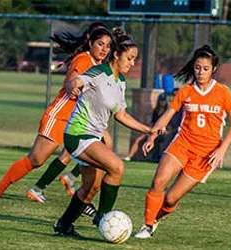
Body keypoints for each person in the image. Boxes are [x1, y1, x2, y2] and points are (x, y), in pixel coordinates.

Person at [0, 23, 113, 216]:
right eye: (100, 44)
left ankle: (82, 201)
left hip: (79, 123)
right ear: (90, 43)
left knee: (98, 156)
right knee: (36, 160)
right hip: (59, 117)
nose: (104, 49)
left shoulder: (99, 67)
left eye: (108, 46)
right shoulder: (84, 59)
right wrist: (72, 87)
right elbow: (73, 78)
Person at [53, 27, 152, 238]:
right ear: (116, 55)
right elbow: (77, 79)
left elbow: (122, 116)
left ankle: (64, 225)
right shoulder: (99, 73)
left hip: (92, 137)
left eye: (134, 59)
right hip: (78, 134)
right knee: (117, 167)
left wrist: (149, 130)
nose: (132, 63)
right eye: (130, 58)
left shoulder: (120, 82)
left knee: (91, 187)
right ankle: (103, 217)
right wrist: (72, 86)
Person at [135, 45, 231, 239]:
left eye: (205, 68)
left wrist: (223, 149)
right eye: (197, 67)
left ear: (213, 69)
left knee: (171, 198)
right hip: (182, 143)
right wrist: (152, 136)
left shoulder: (223, 93)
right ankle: (147, 225)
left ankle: (157, 218)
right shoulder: (186, 91)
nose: (201, 72)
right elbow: (168, 115)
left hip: (206, 154)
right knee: (158, 181)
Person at [123, 92, 169, 162]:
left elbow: (168, 125)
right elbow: (152, 123)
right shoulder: (156, 111)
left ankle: (157, 158)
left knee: (161, 141)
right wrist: (150, 131)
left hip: (163, 131)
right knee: (138, 139)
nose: (162, 102)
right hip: (154, 130)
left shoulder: (167, 111)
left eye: (163, 100)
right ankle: (129, 157)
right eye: (161, 100)